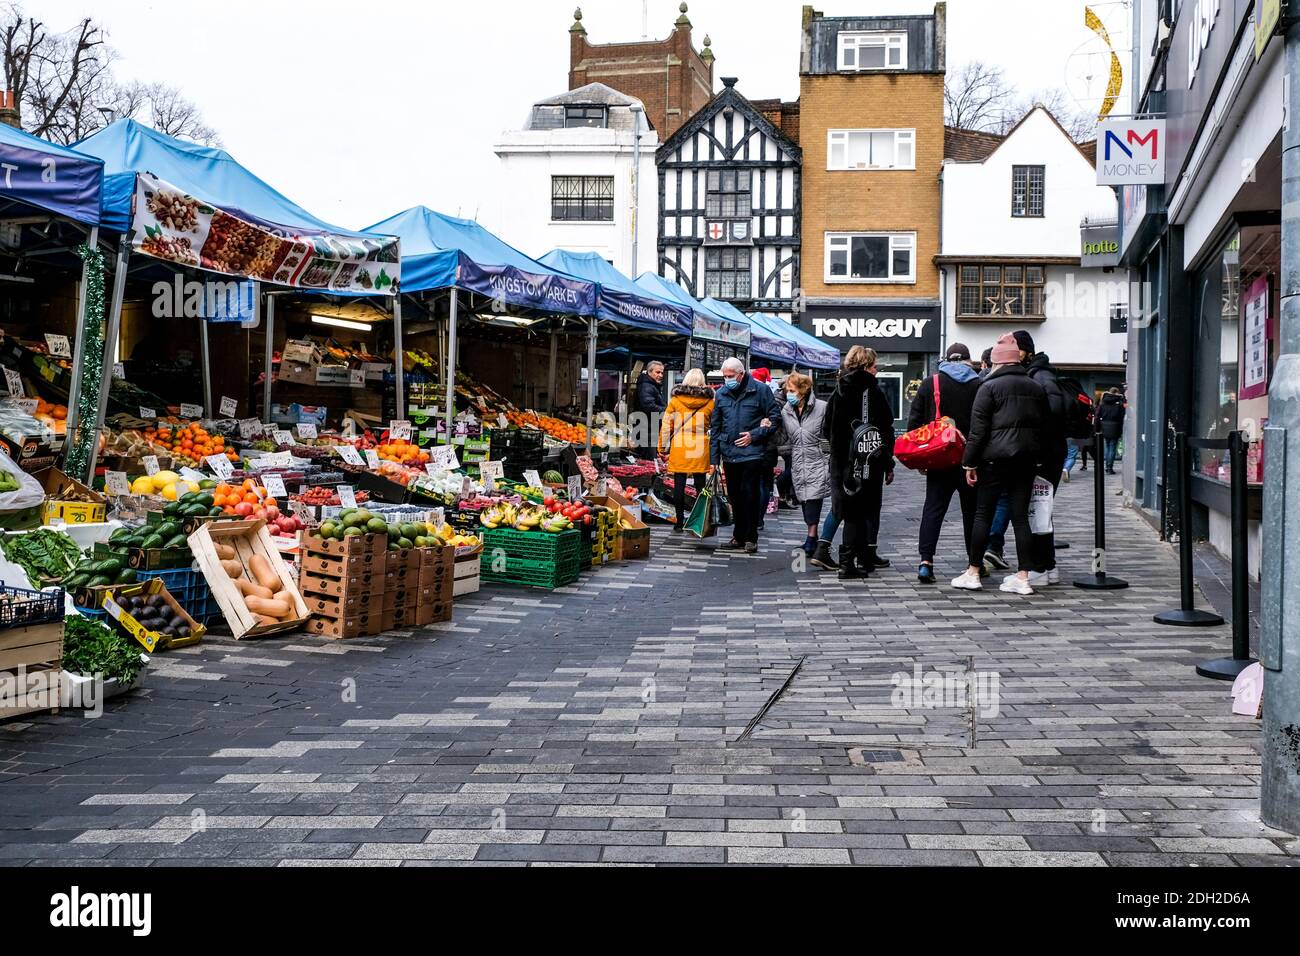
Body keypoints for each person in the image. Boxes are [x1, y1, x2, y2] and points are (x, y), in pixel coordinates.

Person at [953, 333, 1050, 595]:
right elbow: (1044, 428)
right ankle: (1023, 577)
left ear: (996, 362)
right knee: (1020, 518)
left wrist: (968, 463)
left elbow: (978, 431)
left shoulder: (988, 388)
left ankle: (973, 572)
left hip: (994, 461)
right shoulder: (1035, 387)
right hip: (1027, 461)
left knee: (983, 514)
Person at [907, 343, 982, 584]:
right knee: (972, 512)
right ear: (969, 360)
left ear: (946, 359)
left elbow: (915, 422)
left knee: (933, 509)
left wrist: (921, 457)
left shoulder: (932, 383)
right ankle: (974, 563)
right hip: (969, 460)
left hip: (939, 459)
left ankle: (926, 562)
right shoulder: (979, 384)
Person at [823, 346, 895, 579]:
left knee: (850, 510)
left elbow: (826, 429)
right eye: (874, 366)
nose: (877, 371)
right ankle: (851, 562)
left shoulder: (838, 391)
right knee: (864, 511)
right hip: (868, 462)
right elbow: (885, 429)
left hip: (841, 463)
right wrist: (887, 463)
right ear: (866, 366)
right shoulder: (873, 392)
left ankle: (856, 559)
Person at [710, 357, 781, 553]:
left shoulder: (760, 390)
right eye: (724, 376)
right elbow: (715, 427)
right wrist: (714, 459)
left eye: (730, 376)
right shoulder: (722, 393)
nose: (727, 380)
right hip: (729, 453)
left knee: (750, 494)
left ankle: (751, 537)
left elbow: (775, 418)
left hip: (752, 453)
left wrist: (754, 435)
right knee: (735, 496)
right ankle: (738, 536)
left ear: (741, 374)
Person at [1018, 330, 1071, 587]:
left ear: (1027, 350)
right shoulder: (1039, 373)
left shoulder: (1040, 375)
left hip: (1044, 454)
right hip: (1048, 452)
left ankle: (1039, 567)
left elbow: (1055, 410)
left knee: (1036, 509)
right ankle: (1048, 566)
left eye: (1016, 348)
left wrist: (1036, 437)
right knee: (1041, 509)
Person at [774, 372, 830, 555]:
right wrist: (769, 427)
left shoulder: (822, 408)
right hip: (798, 460)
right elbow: (782, 438)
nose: (788, 393)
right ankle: (811, 537)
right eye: (786, 390)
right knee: (804, 498)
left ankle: (811, 538)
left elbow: (829, 434)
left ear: (803, 390)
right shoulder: (786, 411)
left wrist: (827, 455)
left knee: (814, 497)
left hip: (817, 459)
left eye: (791, 390)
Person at [658, 368, 714, 532]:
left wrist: (662, 447)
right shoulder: (710, 402)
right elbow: (716, 424)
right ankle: (701, 520)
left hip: (680, 444)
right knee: (701, 485)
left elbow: (667, 426)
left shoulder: (675, 401)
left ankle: (679, 522)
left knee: (679, 485)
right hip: (700, 445)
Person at [750, 368, 779, 529]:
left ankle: (754, 518)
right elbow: (775, 420)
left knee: (755, 484)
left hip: (756, 446)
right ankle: (759, 519)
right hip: (768, 447)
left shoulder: (751, 395)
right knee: (764, 485)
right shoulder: (769, 395)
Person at [1096, 387, 1126, 474]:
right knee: (1112, 447)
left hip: (1105, 426)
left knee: (1107, 446)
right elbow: (1122, 417)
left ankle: (1107, 465)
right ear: (1117, 393)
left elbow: (1098, 416)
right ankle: (1109, 467)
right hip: (1115, 426)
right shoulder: (1119, 403)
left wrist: (1097, 428)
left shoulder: (1103, 402)